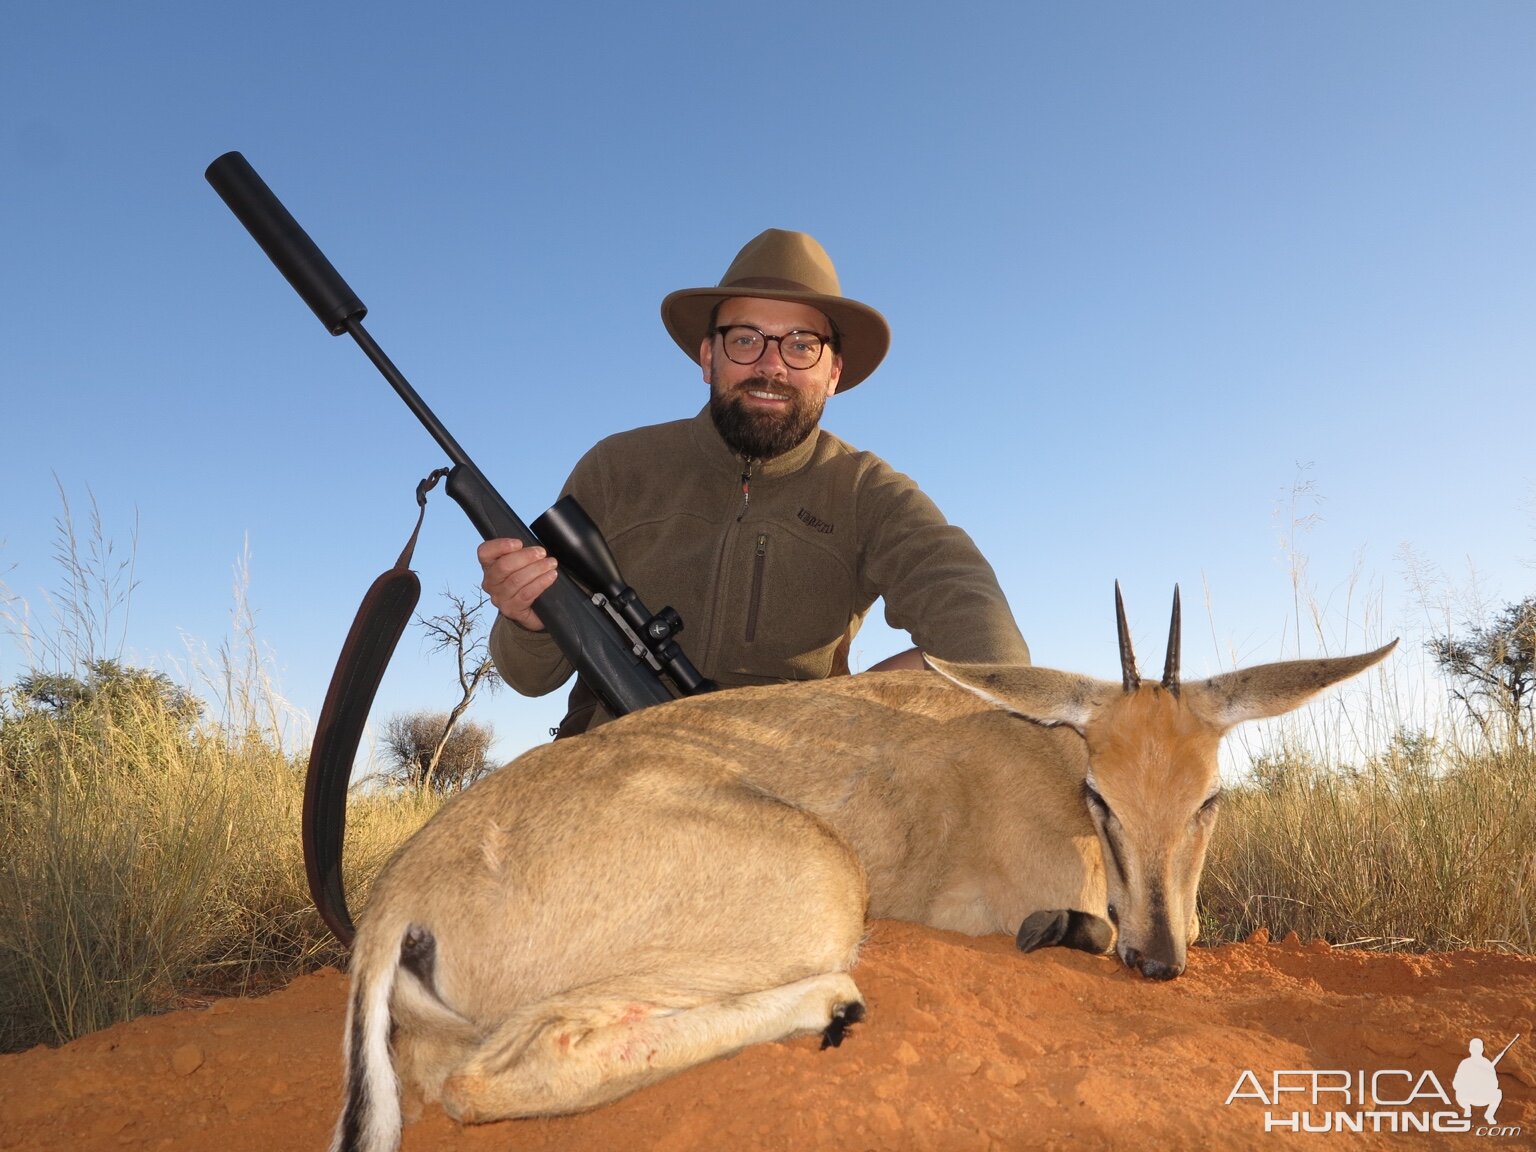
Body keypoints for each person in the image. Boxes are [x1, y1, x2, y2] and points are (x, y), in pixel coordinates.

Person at [479, 228, 1029, 736]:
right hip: (610, 757)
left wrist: (817, 721)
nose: (771, 366)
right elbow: (529, 678)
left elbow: (994, 655)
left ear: (832, 372)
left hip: (790, 775)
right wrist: (527, 618)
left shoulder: (872, 492)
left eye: (801, 344)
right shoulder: (615, 466)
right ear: (708, 356)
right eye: (746, 339)